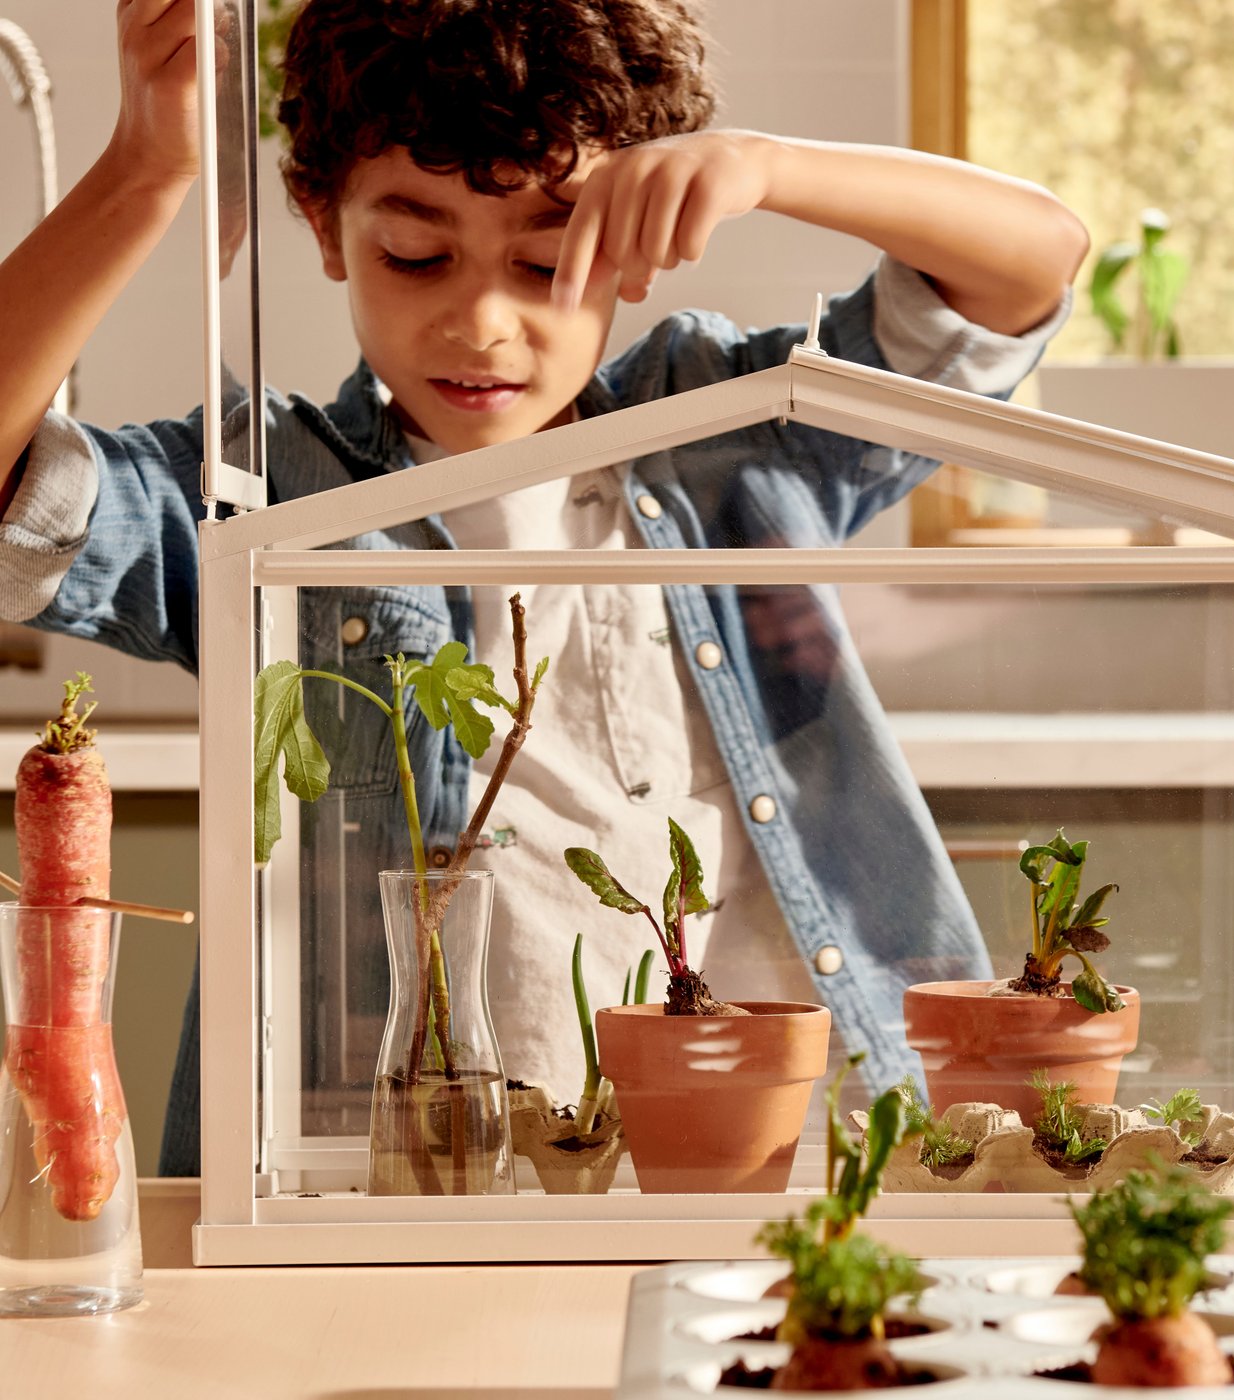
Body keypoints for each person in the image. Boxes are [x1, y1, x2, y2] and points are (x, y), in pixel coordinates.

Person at [0, 0, 1088, 1178]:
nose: (480, 322)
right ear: (324, 223)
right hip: (428, 1186)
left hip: (811, 1154)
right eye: (415, 253)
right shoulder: (261, 494)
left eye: (544, 258)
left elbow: (1028, 268)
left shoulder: (726, 427)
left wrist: (768, 168)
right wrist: (144, 174)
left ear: (624, 244)